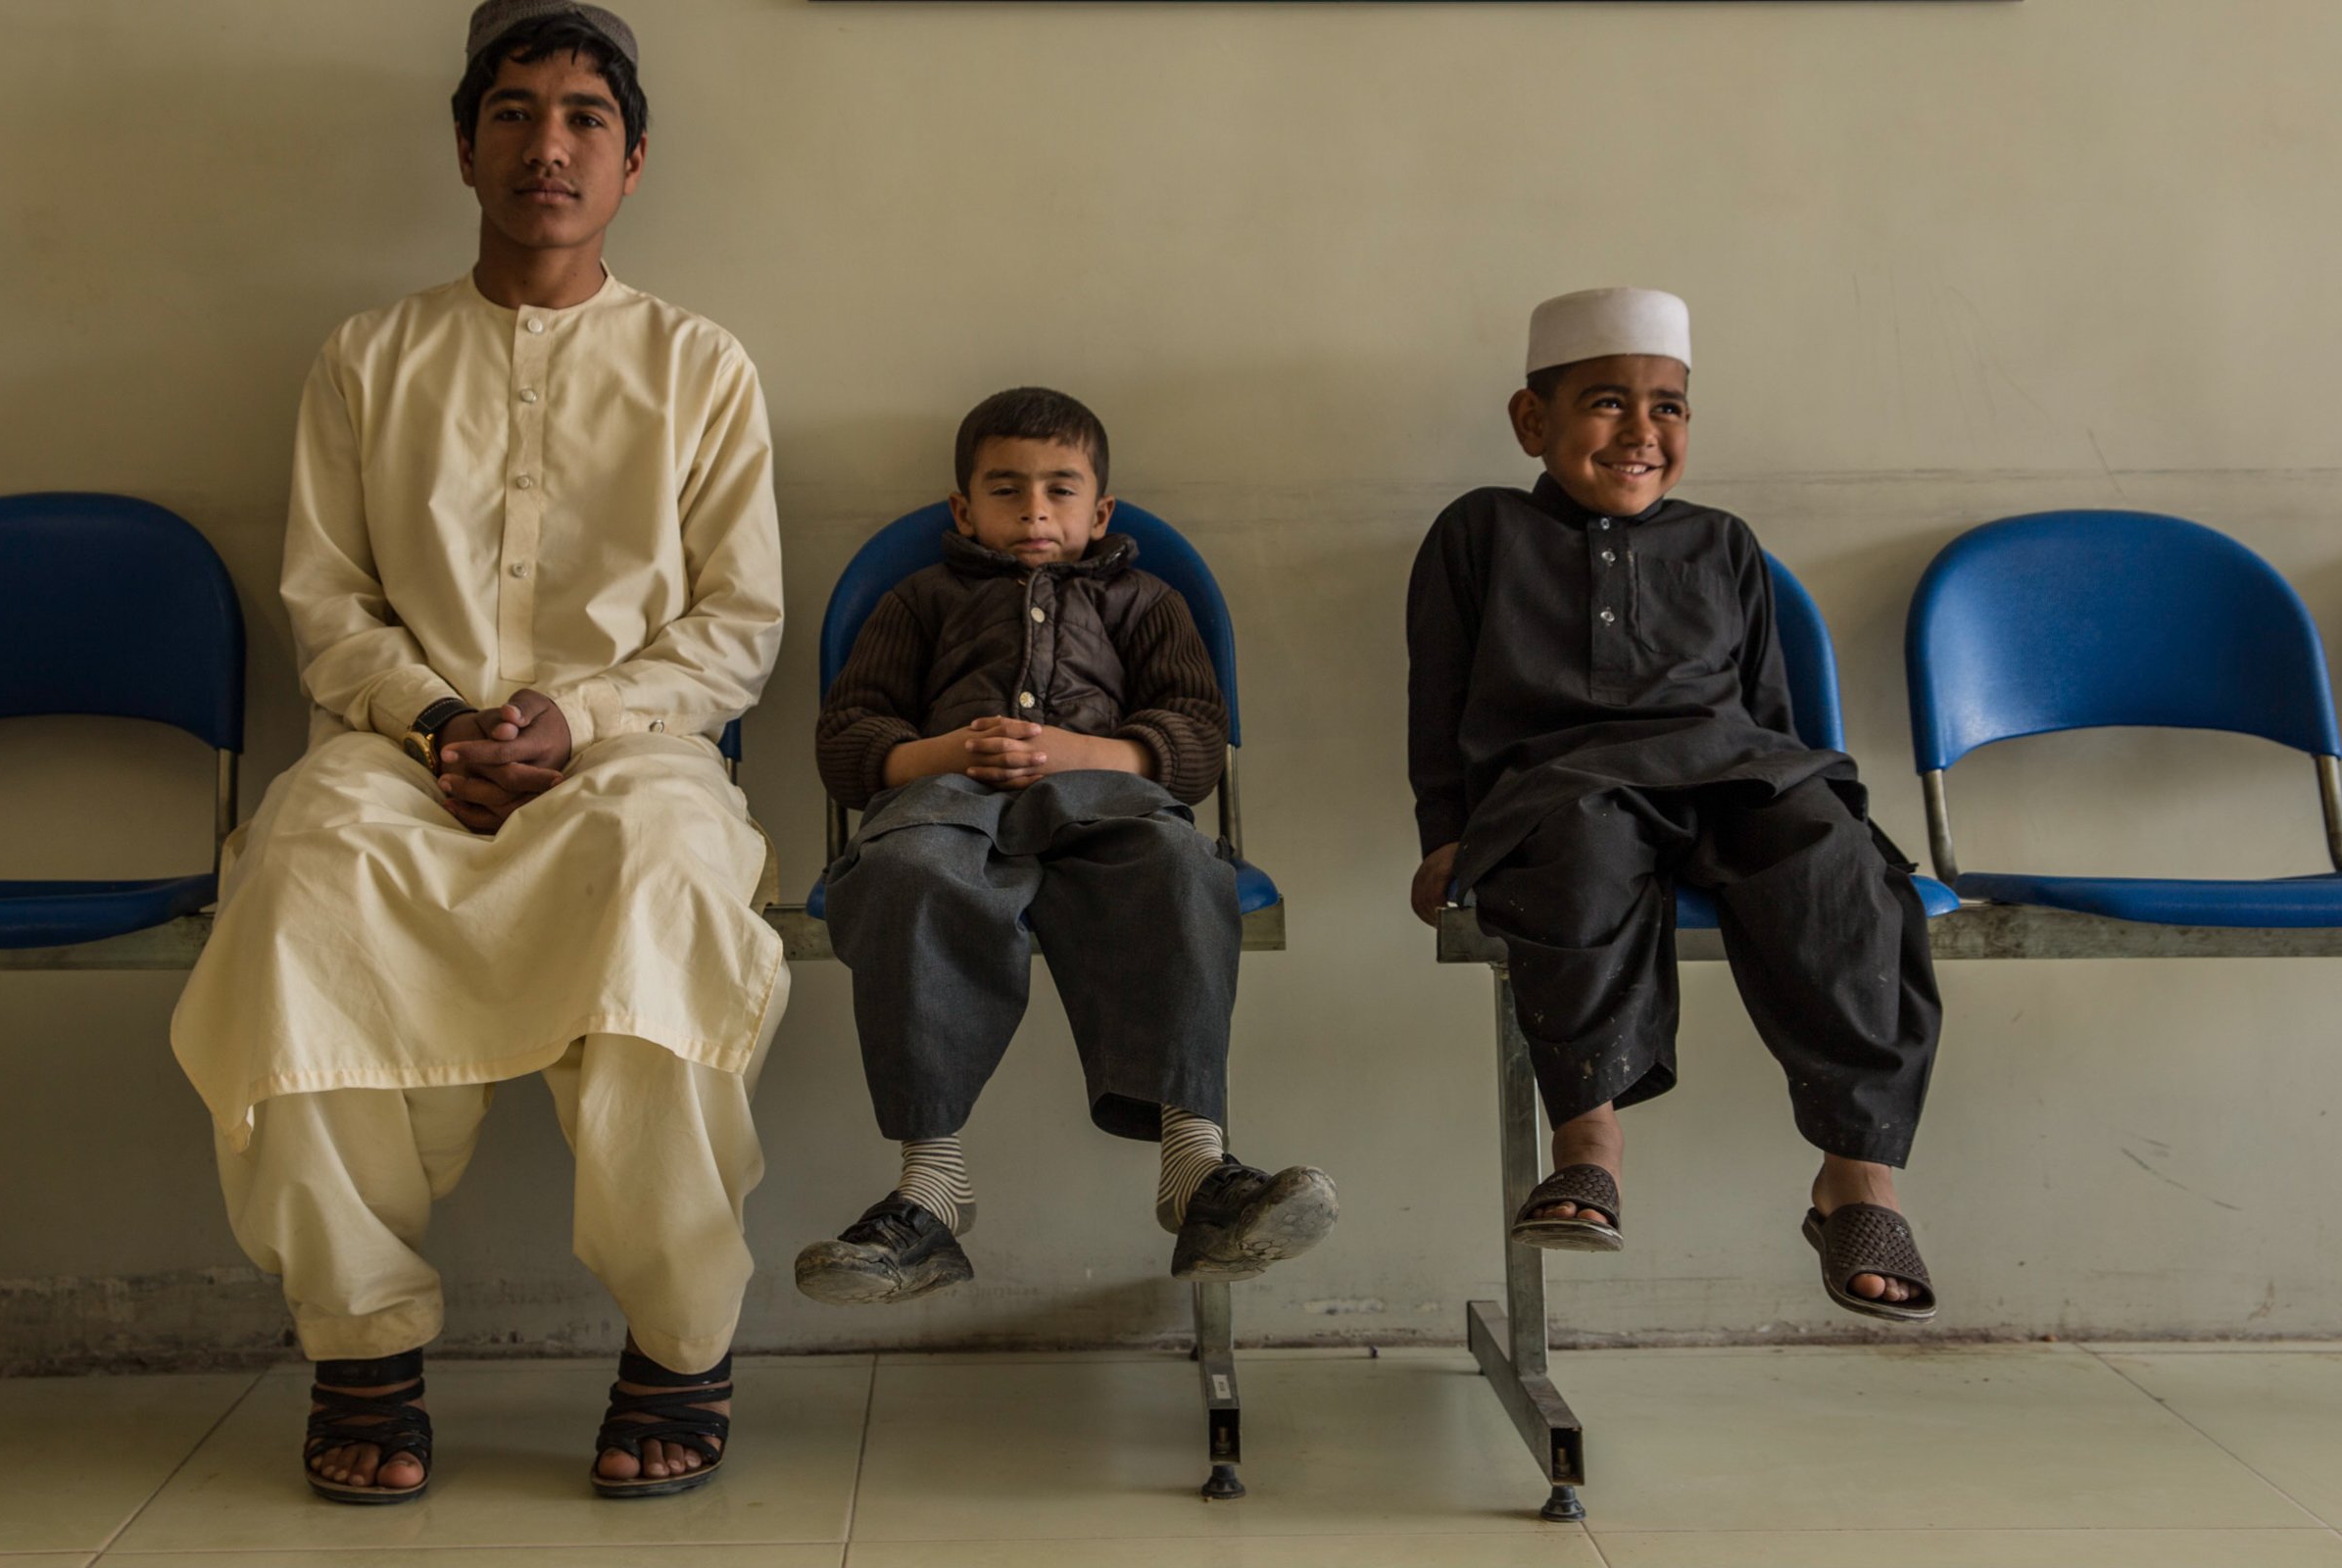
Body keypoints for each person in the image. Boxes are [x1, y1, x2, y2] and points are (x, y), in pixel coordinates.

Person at [170, 0, 788, 1502]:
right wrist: (445, 721)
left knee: (664, 888)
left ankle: (678, 1341)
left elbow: (735, 627)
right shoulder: (368, 358)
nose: (548, 146)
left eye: (583, 118)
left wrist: (571, 719)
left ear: (634, 161)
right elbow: (328, 604)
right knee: (298, 889)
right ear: (464, 147)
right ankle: (361, 1344)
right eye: (513, 114)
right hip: (401, 748)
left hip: (628, 752)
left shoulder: (701, 367)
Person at [1405, 288, 1942, 1322]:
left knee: (1834, 855)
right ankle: (1590, 1145)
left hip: (1727, 766)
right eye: (1608, 403)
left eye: (1670, 408)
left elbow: (1770, 713)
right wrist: (1445, 835)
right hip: (1562, 785)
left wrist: (1805, 798)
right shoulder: (1481, 532)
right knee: (1575, 855)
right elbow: (1439, 702)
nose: (1643, 433)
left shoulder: (1725, 542)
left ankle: (1856, 1176)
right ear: (1533, 421)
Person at [795, 386, 1336, 1305]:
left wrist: (1084, 751)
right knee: (904, 873)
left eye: (1060, 490)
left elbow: (1197, 736)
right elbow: (847, 741)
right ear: (963, 509)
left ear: (1101, 511)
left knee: (1178, 866)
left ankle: (1197, 1174)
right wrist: (949, 750)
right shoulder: (918, 599)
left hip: (1109, 806)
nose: (1035, 512)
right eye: (1007, 491)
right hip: (946, 806)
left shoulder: (1146, 600)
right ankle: (929, 1193)